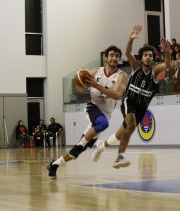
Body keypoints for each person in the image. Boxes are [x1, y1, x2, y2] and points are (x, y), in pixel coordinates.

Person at [91, 25, 171, 168]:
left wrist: (167, 51)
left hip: (142, 107)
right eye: (145, 55)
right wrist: (130, 39)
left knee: (123, 132)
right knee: (131, 124)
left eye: (151, 55)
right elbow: (128, 52)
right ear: (141, 58)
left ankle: (101, 146)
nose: (148, 57)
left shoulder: (155, 70)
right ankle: (120, 157)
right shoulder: (136, 67)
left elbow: (168, 65)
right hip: (129, 101)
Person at [47, 45, 128, 178]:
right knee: (102, 124)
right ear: (106, 58)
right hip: (93, 107)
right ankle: (82, 144)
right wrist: (80, 81)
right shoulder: (96, 71)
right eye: (112, 55)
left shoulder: (122, 75)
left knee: (76, 152)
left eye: (117, 56)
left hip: (106, 112)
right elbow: (79, 89)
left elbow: (116, 95)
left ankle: (54, 164)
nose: (114, 58)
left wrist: (96, 85)